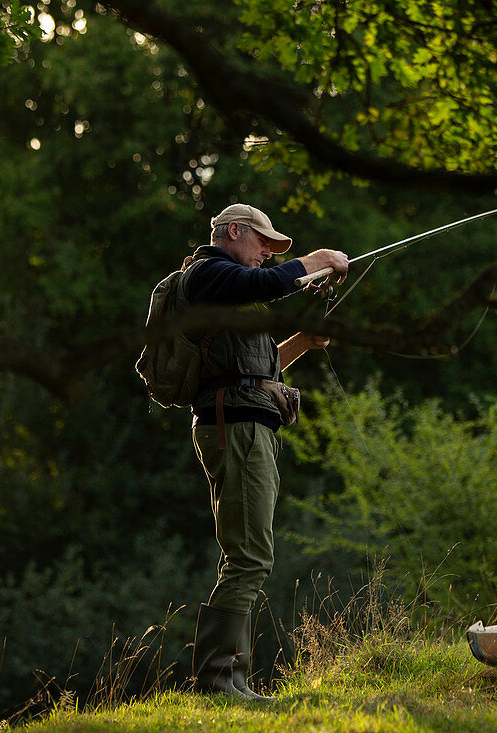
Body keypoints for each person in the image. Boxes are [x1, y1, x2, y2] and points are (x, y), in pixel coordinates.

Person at [180, 203, 348, 700]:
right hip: (236, 428)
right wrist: (313, 260)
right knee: (249, 557)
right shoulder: (209, 275)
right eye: (264, 245)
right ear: (234, 232)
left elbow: (258, 367)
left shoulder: (229, 292)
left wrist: (304, 342)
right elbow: (260, 285)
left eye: (276, 251)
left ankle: (232, 681)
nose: (267, 256)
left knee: (250, 555)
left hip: (247, 424)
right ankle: (217, 683)